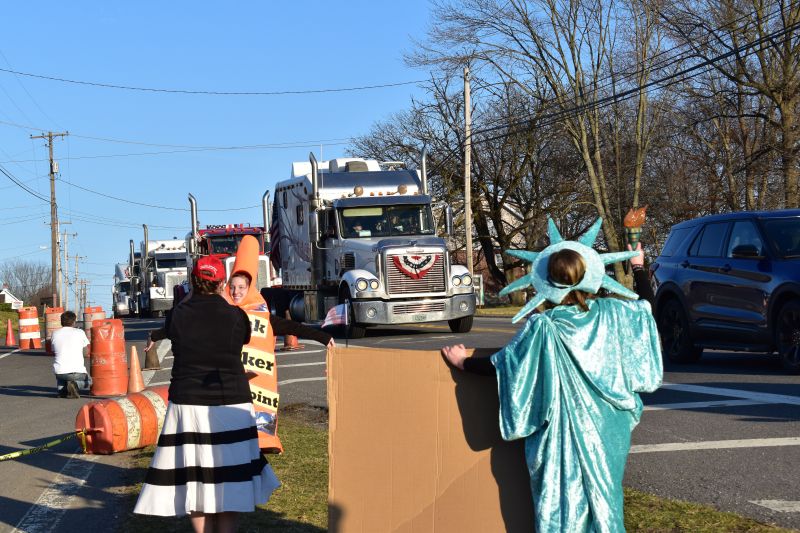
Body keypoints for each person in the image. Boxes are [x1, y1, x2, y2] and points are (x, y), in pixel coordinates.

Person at [442, 219, 662, 533]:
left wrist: (464, 363)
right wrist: (638, 266)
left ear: (545, 280)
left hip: (561, 433)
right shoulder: (614, 314)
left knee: (562, 505)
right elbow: (647, 309)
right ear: (588, 274)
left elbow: (506, 365)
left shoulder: (544, 327)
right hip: (608, 429)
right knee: (605, 499)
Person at [134, 256, 280, 532]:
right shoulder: (235, 316)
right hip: (231, 401)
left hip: (188, 403)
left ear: (193, 282)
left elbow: (174, 325)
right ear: (222, 283)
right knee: (231, 478)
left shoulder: (177, 315)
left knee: (195, 477)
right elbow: (245, 338)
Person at [51, 311, 92, 399]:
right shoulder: (80, 332)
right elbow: (85, 352)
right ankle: (75, 384)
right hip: (76, 372)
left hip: (59, 372)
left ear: (61, 322)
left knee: (63, 374)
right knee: (89, 381)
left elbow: (54, 350)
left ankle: (62, 391)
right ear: (74, 322)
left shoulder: (55, 333)